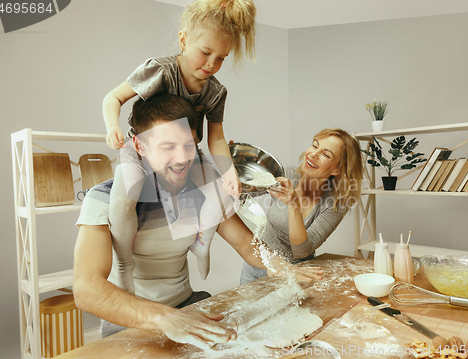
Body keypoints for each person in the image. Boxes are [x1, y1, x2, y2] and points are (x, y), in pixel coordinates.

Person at [73, 93, 323, 349]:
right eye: (168, 147)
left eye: (189, 145)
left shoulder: (202, 191)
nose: (183, 158)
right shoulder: (103, 198)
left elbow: (247, 245)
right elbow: (86, 289)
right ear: (139, 146)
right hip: (132, 319)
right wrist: (164, 317)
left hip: (188, 307)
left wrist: (281, 266)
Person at [103, 0, 256, 297]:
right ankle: (123, 264)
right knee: (124, 196)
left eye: (222, 58)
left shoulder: (216, 91)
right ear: (184, 39)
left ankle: (202, 243)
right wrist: (112, 126)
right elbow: (113, 98)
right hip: (144, 149)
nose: (212, 64)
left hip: (187, 155)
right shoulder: (159, 70)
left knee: (219, 192)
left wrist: (229, 173)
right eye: (206, 52)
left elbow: (215, 139)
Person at [240, 128, 364, 285]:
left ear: (337, 169)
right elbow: (241, 191)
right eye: (314, 145)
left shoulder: (336, 203)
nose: (313, 154)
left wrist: (294, 205)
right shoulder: (285, 175)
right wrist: (236, 167)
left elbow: (301, 251)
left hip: (297, 273)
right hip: (257, 266)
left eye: (326, 154)